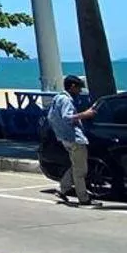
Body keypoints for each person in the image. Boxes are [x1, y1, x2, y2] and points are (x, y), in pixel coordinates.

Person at [47, 76, 100, 206]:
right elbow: (67, 117)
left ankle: (62, 188)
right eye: (79, 88)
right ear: (72, 87)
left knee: (76, 165)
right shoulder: (66, 100)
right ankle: (83, 198)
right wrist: (86, 114)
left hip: (65, 138)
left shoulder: (57, 98)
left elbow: (51, 117)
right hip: (74, 138)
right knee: (80, 170)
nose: (80, 91)